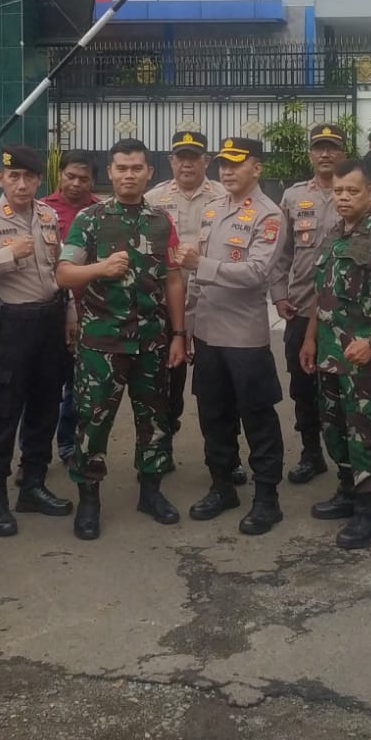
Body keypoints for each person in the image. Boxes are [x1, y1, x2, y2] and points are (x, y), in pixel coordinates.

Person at [56, 138, 187, 540]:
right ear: (110, 173)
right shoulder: (90, 219)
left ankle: (151, 493)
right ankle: (89, 500)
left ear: (149, 173)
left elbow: (173, 279)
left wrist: (179, 334)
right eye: (121, 168)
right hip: (101, 346)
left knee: (155, 423)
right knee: (93, 424)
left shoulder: (162, 220)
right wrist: (99, 269)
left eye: (136, 168)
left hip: (151, 343)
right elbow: (64, 274)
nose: (129, 175)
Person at [0, 144, 76, 537]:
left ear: (39, 180)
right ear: (0, 179)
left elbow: (58, 269)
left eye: (29, 177)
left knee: (44, 409)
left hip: (49, 321)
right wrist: (6, 256)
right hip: (11, 327)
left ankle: (33, 486)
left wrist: (70, 312)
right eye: (14, 177)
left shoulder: (47, 215)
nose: (21, 184)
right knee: (3, 415)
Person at [300, 160, 371, 549]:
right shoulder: (335, 234)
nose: (344, 198)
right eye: (338, 191)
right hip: (331, 353)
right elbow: (323, 293)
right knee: (334, 427)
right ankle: (347, 491)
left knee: (364, 431)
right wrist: (310, 339)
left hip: (364, 358)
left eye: (352, 191)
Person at [180, 137, 287, 535]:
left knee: (257, 417)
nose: (226, 170)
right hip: (208, 333)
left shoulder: (269, 215)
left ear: (256, 168)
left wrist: (200, 264)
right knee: (214, 416)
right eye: (223, 164)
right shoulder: (212, 210)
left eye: (236, 164)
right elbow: (194, 280)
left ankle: (266, 498)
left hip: (244, 337)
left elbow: (258, 272)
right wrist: (188, 327)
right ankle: (222, 485)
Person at [144, 131, 236, 480]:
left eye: (194, 156)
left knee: (220, 386)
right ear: (170, 161)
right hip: (169, 305)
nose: (187, 162)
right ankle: (163, 446)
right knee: (168, 381)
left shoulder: (224, 196)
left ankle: (228, 459)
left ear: (205, 161)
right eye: (180, 156)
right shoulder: (153, 199)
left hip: (214, 301)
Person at [272, 123, 348, 486]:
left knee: (346, 388)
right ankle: (311, 453)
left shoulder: (352, 192)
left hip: (345, 311)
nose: (325, 154)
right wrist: (278, 294)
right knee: (303, 387)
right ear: (310, 154)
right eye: (319, 148)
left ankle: (349, 458)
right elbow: (282, 252)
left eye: (332, 148)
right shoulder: (293, 196)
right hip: (301, 308)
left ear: (343, 154)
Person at [42, 150, 98, 463]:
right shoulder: (43, 211)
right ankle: (33, 454)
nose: (76, 184)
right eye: (70, 176)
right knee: (42, 387)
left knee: (78, 389)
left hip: (89, 313)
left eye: (84, 178)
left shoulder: (101, 213)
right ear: (60, 174)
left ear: (93, 180)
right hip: (49, 312)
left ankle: (67, 444)